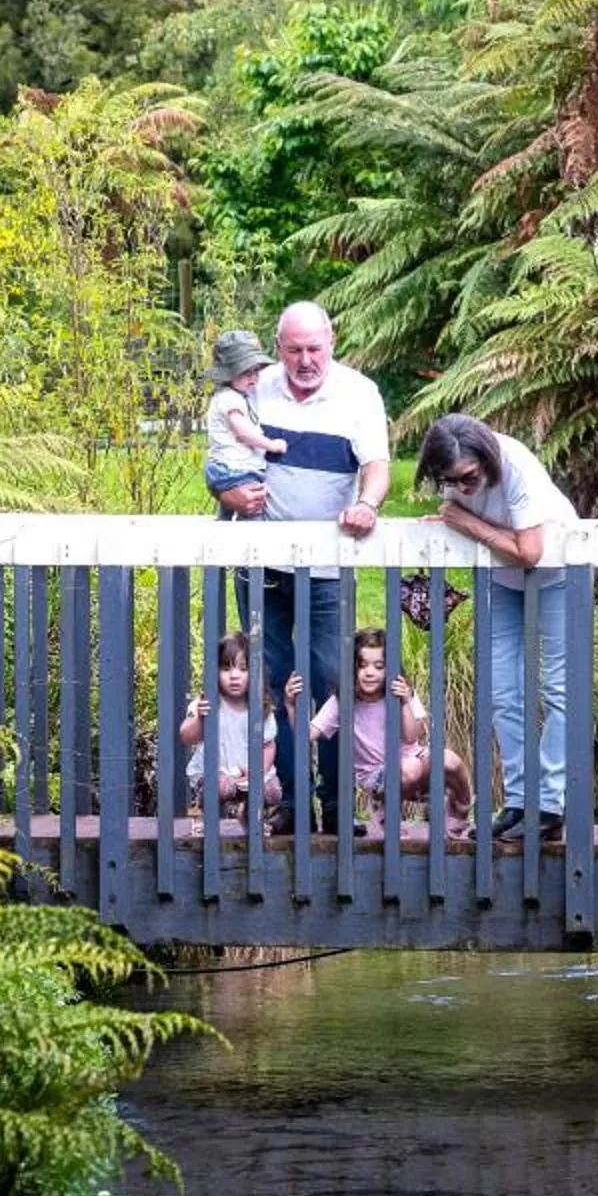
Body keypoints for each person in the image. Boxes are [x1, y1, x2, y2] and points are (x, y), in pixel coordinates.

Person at [217, 301, 387, 829]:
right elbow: (220, 453)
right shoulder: (255, 387)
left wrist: (368, 504)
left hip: (328, 566)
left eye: (314, 348)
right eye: (294, 350)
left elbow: (378, 467)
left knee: (335, 683)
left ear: (331, 342)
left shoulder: (359, 392)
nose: (305, 360)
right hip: (260, 559)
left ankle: (335, 807)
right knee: (273, 681)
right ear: (278, 347)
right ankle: (291, 804)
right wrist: (228, 492)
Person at [417, 412, 579, 847]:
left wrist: (468, 524)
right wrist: (454, 526)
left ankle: (550, 806)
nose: (461, 487)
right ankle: (519, 800)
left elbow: (530, 551)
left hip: (557, 574)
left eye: (468, 477)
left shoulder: (517, 466)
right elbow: (463, 519)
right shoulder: (454, 470)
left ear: (486, 458)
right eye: (449, 481)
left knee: (558, 690)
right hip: (499, 578)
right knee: (502, 691)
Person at [309, 627, 472, 833]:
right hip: (377, 776)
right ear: (352, 668)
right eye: (362, 665)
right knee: (410, 768)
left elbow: (411, 736)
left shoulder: (401, 692)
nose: (370, 672)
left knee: (449, 759)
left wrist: (405, 702)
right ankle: (385, 811)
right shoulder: (343, 700)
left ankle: (460, 807)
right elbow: (310, 733)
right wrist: (291, 707)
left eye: (379, 666)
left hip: (413, 761)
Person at [177, 633, 284, 818]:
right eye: (226, 668)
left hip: (250, 773)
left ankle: (250, 816)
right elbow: (186, 736)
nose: (234, 676)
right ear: (215, 672)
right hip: (217, 772)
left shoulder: (261, 707)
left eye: (243, 669)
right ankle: (205, 816)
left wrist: (258, 770)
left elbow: (268, 745)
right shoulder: (206, 703)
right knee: (221, 787)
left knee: (272, 792)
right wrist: (199, 719)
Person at [198, 329, 285, 517]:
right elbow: (243, 432)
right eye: (245, 373)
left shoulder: (233, 396)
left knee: (227, 515)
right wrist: (272, 445)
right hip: (236, 469)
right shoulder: (230, 399)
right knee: (252, 511)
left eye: (256, 371)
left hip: (225, 467)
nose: (253, 378)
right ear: (228, 374)